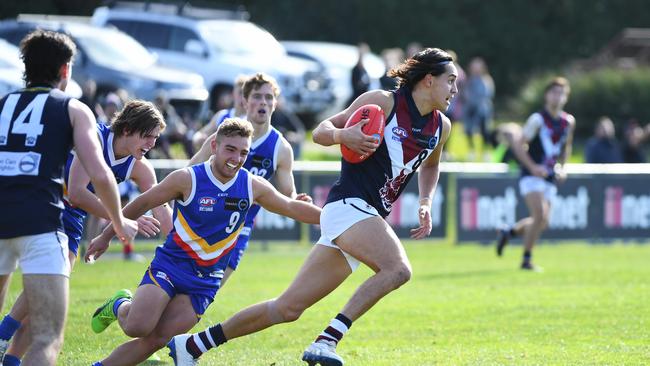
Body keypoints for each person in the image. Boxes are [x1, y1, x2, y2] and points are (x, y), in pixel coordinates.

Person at [167, 47, 456, 366]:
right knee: (398, 269)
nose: (455, 89)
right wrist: (344, 134)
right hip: (348, 205)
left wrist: (426, 201)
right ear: (428, 80)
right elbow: (321, 132)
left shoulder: (441, 126)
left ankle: (191, 346)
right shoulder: (383, 102)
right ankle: (327, 341)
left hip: (363, 216)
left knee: (286, 309)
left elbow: (431, 165)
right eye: (451, 81)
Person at [84, 118, 321, 366]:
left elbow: (291, 207)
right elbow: (142, 203)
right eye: (230, 149)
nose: (237, 158)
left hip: (205, 282)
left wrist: (332, 217)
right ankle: (121, 304)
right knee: (138, 327)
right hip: (171, 267)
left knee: (158, 338)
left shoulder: (252, 185)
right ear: (215, 146)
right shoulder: (187, 179)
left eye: (243, 152)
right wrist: (105, 236)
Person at [0, 30, 137, 366]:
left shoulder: (2, 105)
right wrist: (118, 223)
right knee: (47, 337)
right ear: (65, 70)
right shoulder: (74, 109)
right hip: (41, 224)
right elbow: (101, 174)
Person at [0, 99, 173, 365]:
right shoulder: (93, 137)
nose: (151, 144)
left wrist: (178, 239)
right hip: (46, 202)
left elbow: (158, 202)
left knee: (49, 295)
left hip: (71, 217)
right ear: (127, 129)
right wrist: (119, 222)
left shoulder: (139, 165)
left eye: (156, 138)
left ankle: (9, 356)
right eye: (147, 136)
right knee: (50, 286)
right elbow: (78, 192)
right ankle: (4, 334)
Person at [189, 72, 311, 285]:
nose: (263, 102)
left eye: (269, 97)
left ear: (275, 104)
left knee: (208, 291)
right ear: (245, 102)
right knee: (180, 288)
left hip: (238, 229)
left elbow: (287, 194)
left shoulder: (281, 148)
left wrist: (296, 199)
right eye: (256, 96)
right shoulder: (223, 133)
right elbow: (189, 172)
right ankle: (125, 307)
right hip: (203, 219)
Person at [496, 77, 575, 270]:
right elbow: (518, 145)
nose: (557, 96)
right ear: (547, 95)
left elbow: (566, 147)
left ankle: (510, 232)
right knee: (539, 215)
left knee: (542, 222)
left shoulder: (568, 121)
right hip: (531, 176)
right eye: (554, 92)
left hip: (549, 177)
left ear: (566, 97)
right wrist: (532, 167)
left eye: (561, 93)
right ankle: (526, 260)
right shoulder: (537, 119)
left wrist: (563, 168)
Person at [192, 75, 247, 150]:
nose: (243, 97)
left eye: (247, 94)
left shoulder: (251, 120)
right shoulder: (222, 115)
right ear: (233, 94)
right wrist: (199, 139)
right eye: (240, 92)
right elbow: (199, 134)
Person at [462, 57, 494, 160]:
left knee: (484, 130)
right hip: (470, 109)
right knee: (469, 130)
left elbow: (487, 94)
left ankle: (486, 152)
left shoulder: (486, 80)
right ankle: (471, 151)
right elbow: (465, 94)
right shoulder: (469, 80)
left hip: (482, 109)